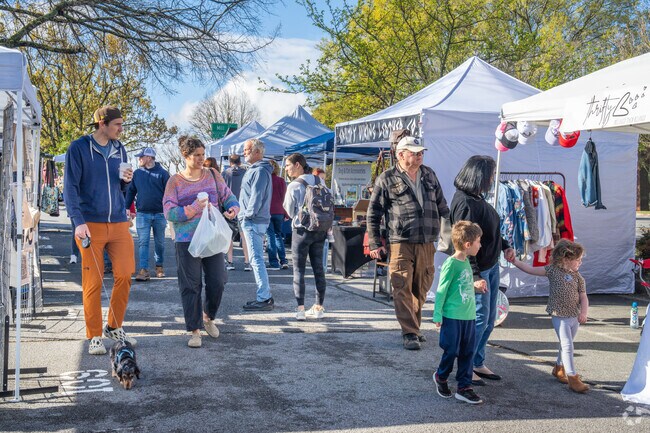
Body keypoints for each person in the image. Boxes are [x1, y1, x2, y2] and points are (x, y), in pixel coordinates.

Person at [63, 106, 137, 355]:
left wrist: (126, 181)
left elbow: (122, 189)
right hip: (89, 224)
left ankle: (114, 326)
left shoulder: (120, 149)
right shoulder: (79, 148)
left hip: (118, 222)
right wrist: (77, 220)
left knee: (125, 274)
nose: (121, 129)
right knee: (93, 282)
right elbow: (70, 188)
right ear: (102, 124)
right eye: (117, 124)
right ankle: (94, 335)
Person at [367, 136, 450, 350]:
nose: (419, 155)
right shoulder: (386, 178)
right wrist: (376, 243)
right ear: (401, 154)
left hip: (427, 241)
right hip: (400, 241)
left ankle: (414, 326)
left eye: (421, 151)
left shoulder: (429, 174)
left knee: (422, 286)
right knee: (402, 286)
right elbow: (373, 213)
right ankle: (410, 332)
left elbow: (443, 206)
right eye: (414, 152)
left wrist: (451, 236)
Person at [163, 136, 239, 348]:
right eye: (196, 155)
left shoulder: (213, 174)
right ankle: (194, 330)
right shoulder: (175, 181)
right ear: (185, 156)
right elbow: (169, 212)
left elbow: (228, 196)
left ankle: (208, 316)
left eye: (202, 155)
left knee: (218, 280)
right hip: (186, 240)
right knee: (191, 285)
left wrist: (233, 208)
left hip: (212, 237)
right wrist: (194, 207)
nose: (200, 159)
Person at [449, 155, 515, 383]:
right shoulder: (466, 202)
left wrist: (504, 245)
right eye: (491, 175)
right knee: (479, 319)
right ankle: (467, 366)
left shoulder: (475, 198)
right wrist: (475, 275)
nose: (493, 179)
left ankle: (476, 362)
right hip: (479, 270)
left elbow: (487, 231)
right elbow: (464, 243)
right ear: (480, 175)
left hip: (490, 265)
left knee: (488, 319)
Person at [509, 239, 590, 393]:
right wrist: (515, 261)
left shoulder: (579, 277)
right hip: (559, 316)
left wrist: (584, 313)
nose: (580, 263)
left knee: (566, 344)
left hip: (574, 316)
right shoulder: (552, 270)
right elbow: (530, 270)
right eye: (577, 260)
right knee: (567, 345)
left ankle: (559, 368)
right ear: (566, 259)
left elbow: (584, 297)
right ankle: (572, 377)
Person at [433, 221, 484, 405]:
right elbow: (442, 290)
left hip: (469, 316)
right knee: (452, 350)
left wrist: (474, 285)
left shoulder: (467, 263)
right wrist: (437, 315)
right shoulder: (451, 264)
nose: (481, 245)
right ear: (468, 244)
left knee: (467, 352)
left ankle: (464, 387)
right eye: (479, 241)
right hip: (452, 316)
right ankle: (441, 376)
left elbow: (461, 285)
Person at [284, 153, 328, 320]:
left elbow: (289, 210)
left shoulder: (294, 185)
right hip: (320, 229)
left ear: (297, 165)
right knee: (319, 269)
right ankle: (318, 307)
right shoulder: (320, 180)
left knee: (299, 270)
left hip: (301, 230)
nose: (287, 169)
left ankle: (300, 309)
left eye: (288, 166)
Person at [239, 139, 274, 311]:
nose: (244, 152)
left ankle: (264, 297)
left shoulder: (260, 171)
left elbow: (256, 196)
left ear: (257, 152)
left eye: (247, 149)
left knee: (256, 259)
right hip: (254, 220)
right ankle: (264, 295)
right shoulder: (258, 170)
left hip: (253, 220)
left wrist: (247, 216)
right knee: (256, 259)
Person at [126, 147, 170, 281]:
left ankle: (159, 266)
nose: (139, 159)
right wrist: (126, 207)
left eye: (141, 157)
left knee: (160, 243)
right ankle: (143, 270)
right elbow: (131, 191)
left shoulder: (163, 174)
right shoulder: (137, 174)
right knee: (143, 242)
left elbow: (169, 195)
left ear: (149, 158)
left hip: (159, 214)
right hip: (143, 214)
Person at [223, 154, 250, 271]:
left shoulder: (224, 174)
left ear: (230, 162)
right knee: (244, 237)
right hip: (243, 208)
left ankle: (230, 262)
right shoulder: (246, 173)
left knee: (229, 236)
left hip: (228, 208)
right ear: (240, 162)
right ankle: (247, 262)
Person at [266, 159, 289, 270]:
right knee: (278, 236)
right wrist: (286, 213)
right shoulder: (281, 181)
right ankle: (283, 260)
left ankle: (273, 262)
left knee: (270, 236)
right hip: (280, 211)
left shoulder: (265, 180)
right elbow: (284, 198)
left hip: (267, 211)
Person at [312, 168, 335, 272]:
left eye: (324, 178)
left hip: (325, 222)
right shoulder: (312, 189)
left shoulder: (327, 190)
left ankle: (322, 266)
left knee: (323, 246)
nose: (322, 180)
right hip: (314, 222)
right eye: (321, 178)